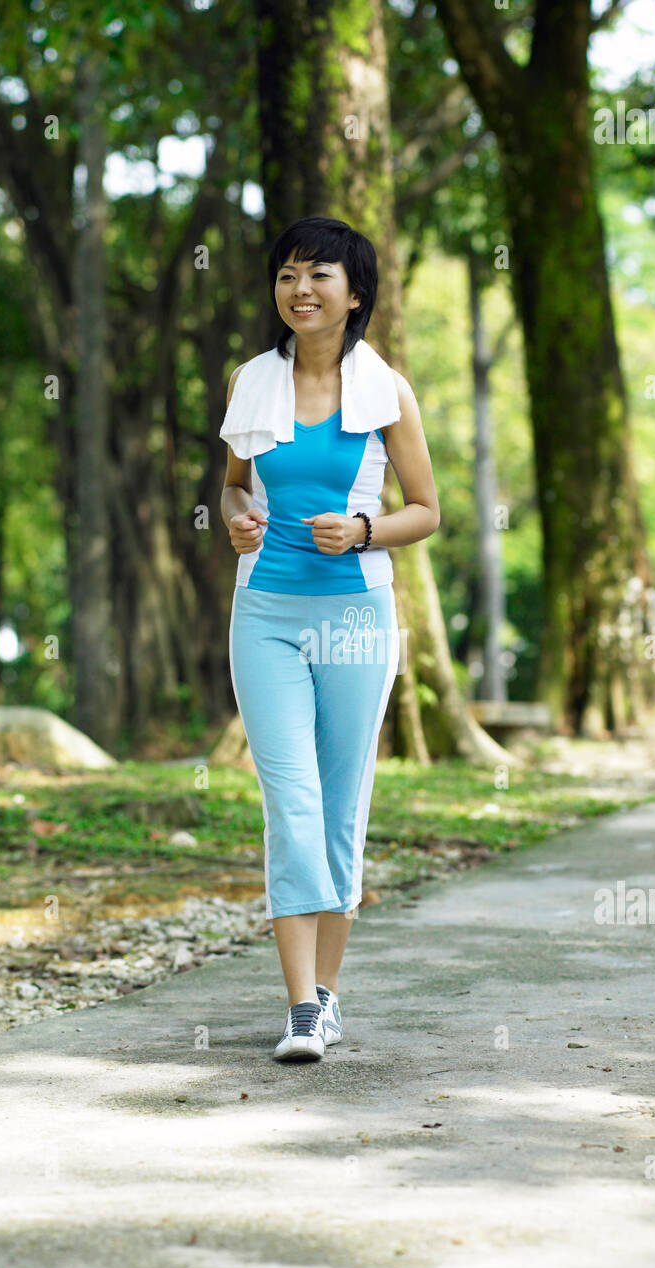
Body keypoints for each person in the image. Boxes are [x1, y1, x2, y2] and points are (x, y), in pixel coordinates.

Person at [220, 216, 439, 1061]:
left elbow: (424, 510)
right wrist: (240, 522)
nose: (299, 289)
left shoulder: (388, 392)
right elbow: (236, 488)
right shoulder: (251, 381)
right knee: (291, 800)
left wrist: (361, 529)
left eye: (318, 275)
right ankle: (300, 1007)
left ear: (355, 295)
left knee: (342, 800)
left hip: (356, 619)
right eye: (286, 275)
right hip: (265, 616)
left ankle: (330, 992)